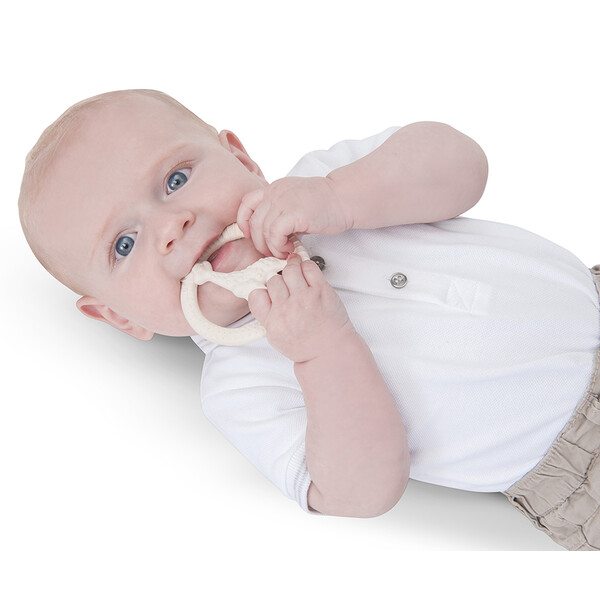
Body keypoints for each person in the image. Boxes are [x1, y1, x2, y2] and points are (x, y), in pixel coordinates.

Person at [18, 89, 600, 550]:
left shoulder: (324, 181)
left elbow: (463, 163)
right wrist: (322, 350)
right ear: (119, 318)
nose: (172, 225)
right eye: (124, 244)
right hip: (579, 456)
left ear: (240, 158)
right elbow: (359, 494)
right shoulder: (240, 386)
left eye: (176, 179)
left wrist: (341, 195)